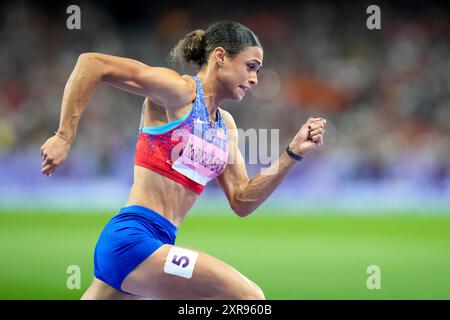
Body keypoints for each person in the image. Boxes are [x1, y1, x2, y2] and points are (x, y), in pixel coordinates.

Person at [40, 21, 326, 300]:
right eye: (250, 67)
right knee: (249, 298)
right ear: (220, 57)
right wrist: (64, 136)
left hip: (155, 246)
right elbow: (92, 63)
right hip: (134, 240)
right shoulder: (180, 93)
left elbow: (242, 200)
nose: (255, 79)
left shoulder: (225, 127)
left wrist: (292, 153)